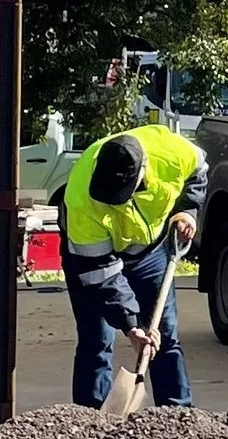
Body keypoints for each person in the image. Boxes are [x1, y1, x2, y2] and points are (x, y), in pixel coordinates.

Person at [58, 119, 208, 409]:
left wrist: (187, 211)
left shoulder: (172, 151)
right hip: (92, 260)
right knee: (97, 339)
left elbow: (199, 172)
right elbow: (100, 273)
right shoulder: (81, 199)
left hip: (150, 253)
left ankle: (177, 415)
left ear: (142, 172)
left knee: (163, 336)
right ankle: (91, 418)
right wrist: (130, 325)